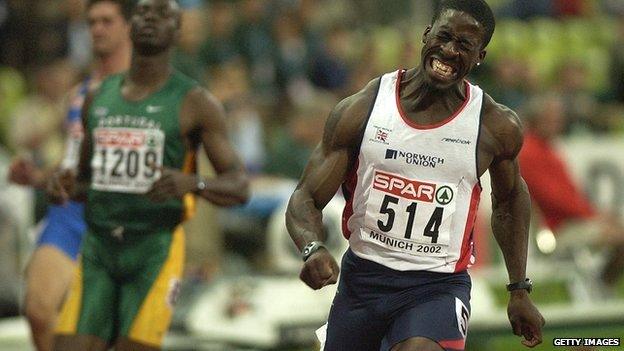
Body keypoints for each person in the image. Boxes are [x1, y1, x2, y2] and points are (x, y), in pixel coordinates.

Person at [285, 1, 545, 350]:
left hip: (437, 286)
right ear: (426, 36)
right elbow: (305, 198)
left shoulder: (494, 126)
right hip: (362, 283)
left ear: (480, 56)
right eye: (444, 37)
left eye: (464, 46)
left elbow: (510, 201)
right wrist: (312, 247)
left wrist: (518, 289)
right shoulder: (364, 109)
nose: (450, 51)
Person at [47, 0, 249, 350]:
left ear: (177, 30)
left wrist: (193, 183)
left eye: (162, 14)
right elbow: (84, 182)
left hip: (155, 248)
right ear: (130, 25)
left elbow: (239, 186)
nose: (150, 20)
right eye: (142, 12)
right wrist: (61, 186)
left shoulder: (195, 102)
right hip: (99, 247)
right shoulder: (98, 97)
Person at [8, 1, 132, 350]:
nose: (97, 29)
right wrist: (34, 176)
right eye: (92, 22)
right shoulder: (79, 93)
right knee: (39, 309)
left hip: (118, 218)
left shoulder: (148, 91)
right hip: (70, 214)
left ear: (128, 27)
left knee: (106, 334)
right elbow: (69, 160)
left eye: (107, 21)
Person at [518, 93, 624, 288]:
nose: (558, 122)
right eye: (552, 117)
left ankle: (599, 288)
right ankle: (601, 289)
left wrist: (595, 216)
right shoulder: (530, 152)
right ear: (538, 119)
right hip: (557, 229)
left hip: (566, 223)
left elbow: (567, 196)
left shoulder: (545, 149)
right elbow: (554, 199)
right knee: (619, 237)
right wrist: (594, 216)